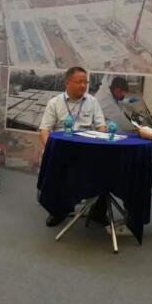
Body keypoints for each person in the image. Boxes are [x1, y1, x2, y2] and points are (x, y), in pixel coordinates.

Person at [38, 66, 106, 227]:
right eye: (79, 82)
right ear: (67, 83)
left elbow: (101, 127)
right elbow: (44, 131)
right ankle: (57, 211)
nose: (83, 85)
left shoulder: (92, 101)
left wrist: (99, 143)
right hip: (62, 150)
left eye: (85, 82)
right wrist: (51, 150)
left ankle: (98, 211)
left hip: (87, 150)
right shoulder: (54, 103)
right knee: (59, 167)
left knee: (106, 166)